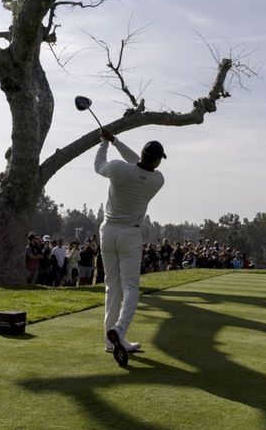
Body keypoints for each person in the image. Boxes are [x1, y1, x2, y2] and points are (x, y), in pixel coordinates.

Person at [94, 129, 166, 366]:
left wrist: (105, 143)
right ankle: (119, 331)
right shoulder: (157, 180)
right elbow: (138, 163)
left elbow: (99, 166)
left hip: (107, 232)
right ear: (157, 160)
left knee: (111, 287)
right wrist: (115, 141)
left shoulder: (118, 168)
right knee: (131, 287)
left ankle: (110, 339)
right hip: (130, 234)